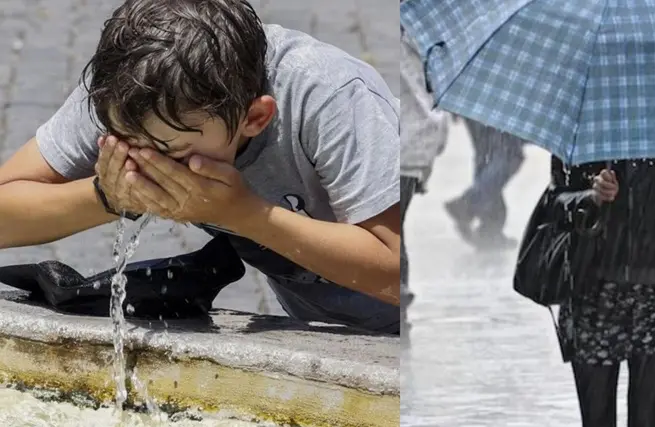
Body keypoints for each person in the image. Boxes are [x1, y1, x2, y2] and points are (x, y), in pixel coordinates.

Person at [0, 0, 400, 335]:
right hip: (326, 332)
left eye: (170, 152)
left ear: (255, 118)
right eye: (127, 143)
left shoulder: (331, 98)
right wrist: (105, 196)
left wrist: (242, 214)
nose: (146, 162)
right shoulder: (131, 91)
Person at [548, 156, 655, 426]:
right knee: (597, 418)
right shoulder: (590, 123)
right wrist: (593, 194)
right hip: (592, 294)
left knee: (646, 416)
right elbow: (557, 202)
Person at [399, 24, 449, 333]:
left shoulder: (408, 38)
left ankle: (399, 298)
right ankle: (400, 298)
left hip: (409, 149)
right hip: (418, 146)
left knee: (393, 229)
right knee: (397, 228)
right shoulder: (422, 36)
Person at [444, 119, 524, 250]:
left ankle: (490, 230)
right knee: (508, 154)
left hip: (476, 104)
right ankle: (469, 205)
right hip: (499, 106)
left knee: (487, 155)